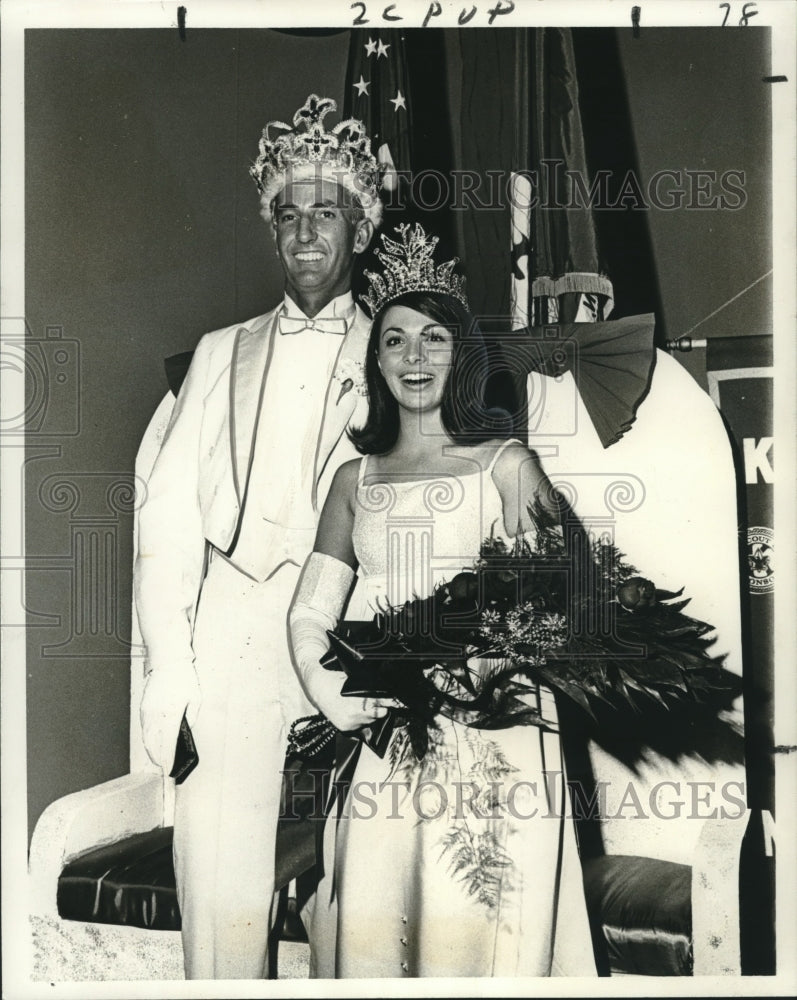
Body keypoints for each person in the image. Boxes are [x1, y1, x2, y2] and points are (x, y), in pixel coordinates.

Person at [288, 224, 597, 978]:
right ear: (376, 359)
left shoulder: (505, 463)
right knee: (377, 922)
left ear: (461, 354)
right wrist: (333, 696)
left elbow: (560, 597)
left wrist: (482, 668)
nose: (415, 357)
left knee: (477, 925)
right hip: (388, 731)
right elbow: (307, 614)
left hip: (495, 732)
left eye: (433, 337)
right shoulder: (351, 481)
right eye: (395, 340)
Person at [133, 93, 382, 980]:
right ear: (271, 230)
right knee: (222, 904)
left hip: (346, 633)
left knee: (356, 906)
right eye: (289, 214)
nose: (306, 232)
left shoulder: (401, 355)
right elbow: (164, 522)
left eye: (327, 212)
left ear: (360, 225)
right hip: (232, 634)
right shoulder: (214, 353)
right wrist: (172, 678)